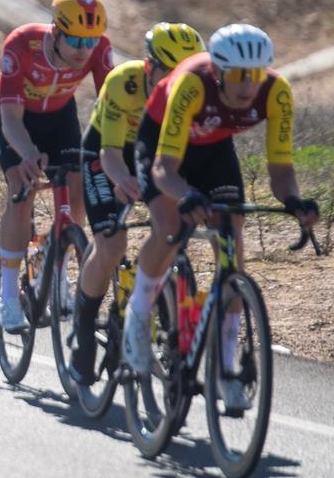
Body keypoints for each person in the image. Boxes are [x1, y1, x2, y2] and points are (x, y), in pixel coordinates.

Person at [122, 23, 318, 413]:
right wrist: (187, 195)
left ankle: (225, 369)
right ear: (217, 71)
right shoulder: (193, 84)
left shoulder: (276, 92)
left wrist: (295, 201)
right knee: (170, 226)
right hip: (163, 145)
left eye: (256, 74)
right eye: (237, 75)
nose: (248, 86)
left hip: (214, 150)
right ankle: (138, 317)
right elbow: (164, 170)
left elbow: (281, 171)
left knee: (231, 240)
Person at [68, 22, 205, 386]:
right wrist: (123, 181)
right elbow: (109, 153)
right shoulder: (124, 82)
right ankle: (83, 330)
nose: (179, 83)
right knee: (112, 243)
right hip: (108, 153)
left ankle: (159, 320)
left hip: (158, 154)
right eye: (170, 73)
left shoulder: (197, 91)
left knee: (172, 232)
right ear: (149, 66)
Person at [0, 0, 113, 333]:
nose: (83, 50)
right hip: (17, 118)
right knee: (22, 190)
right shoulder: (22, 45)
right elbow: (10, 119)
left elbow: (110, 104)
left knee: (78, 192)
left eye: (90, 41)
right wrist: (28, 153)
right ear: (55, 32)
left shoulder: (98, 49)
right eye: (74, 40)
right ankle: (9, 297)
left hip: (61, 117)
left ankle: (58, 262)